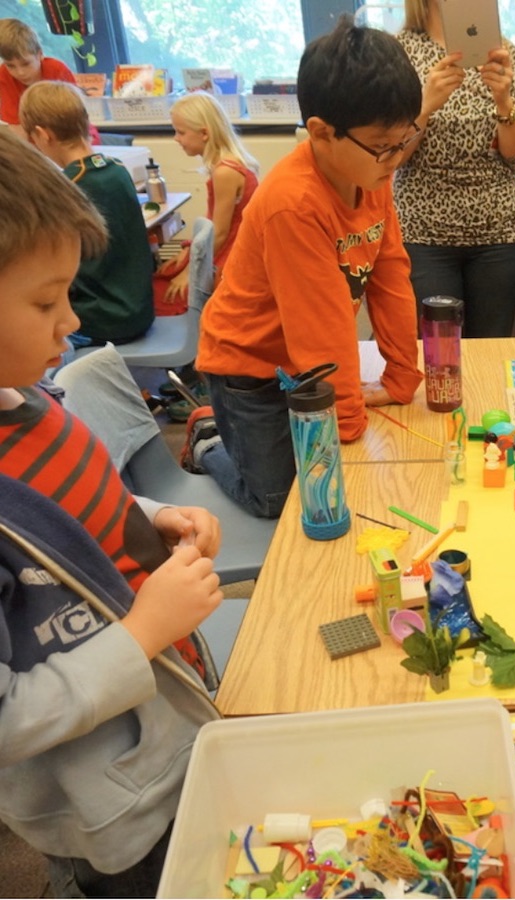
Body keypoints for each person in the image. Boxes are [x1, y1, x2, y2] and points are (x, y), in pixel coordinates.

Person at [0, 125, 223, 898]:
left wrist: (151, 512)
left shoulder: (28, 396)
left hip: (172, 714)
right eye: (44, 300)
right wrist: (143, 634)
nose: (70, 320)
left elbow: (70, 507)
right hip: (116, 805)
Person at [191, 17, 425, 519]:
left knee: (315, 474)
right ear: (321, 132)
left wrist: (404, 373)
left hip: (303, 365)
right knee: (279, 498)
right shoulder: (294, 205)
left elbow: (391, 278)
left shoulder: (372, 171)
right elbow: (322, 331)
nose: (395, 159)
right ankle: (209, 442)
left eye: (403, 141)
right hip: (247, 369)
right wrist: (346, 426)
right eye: (384, 145)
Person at [392, 0, 515, 338]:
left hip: (499, 235)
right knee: (437, 355)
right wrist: (425, 106)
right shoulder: (398, 53)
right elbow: (390, 156)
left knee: (490, 353)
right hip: (423, 235)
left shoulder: (504, 53)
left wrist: (504, 103)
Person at [19, 80, 155, 348]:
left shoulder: (67, 188)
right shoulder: (117, 169)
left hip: (104, 321)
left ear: (43, 135)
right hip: (138, 311)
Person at [157, 91, 260, 309]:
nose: (176, 139)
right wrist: (188, 248)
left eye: (180, 132)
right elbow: (213, 220)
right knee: (164, 273)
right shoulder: (223, 167)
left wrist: (190, 273)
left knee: (161, 292)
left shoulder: (225, 172)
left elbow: (220, 234)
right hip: (224, 249)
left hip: (232, 257)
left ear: (204, 133)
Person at [0, 17, 98, 142]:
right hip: (37, 143)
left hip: (73, 134)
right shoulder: (4, 75)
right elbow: (17, 128)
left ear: (40, 55)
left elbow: (76, 119)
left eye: (26, 64)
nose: (20, 72)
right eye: (10, 65)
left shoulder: (57, 70)